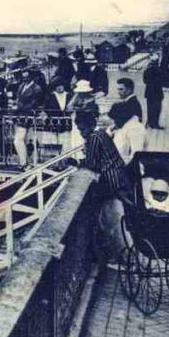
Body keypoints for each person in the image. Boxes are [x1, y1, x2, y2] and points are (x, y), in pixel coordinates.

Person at [75, 110, 130, 262]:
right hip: (121, 178)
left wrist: (77, 163)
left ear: (90, 126)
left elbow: (92, 164)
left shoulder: (93, 138)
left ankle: (117, 255)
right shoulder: (102, 134)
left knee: (107, 220)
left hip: (110, 182)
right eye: (79, 130)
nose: (81, 133)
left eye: (82, 129)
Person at [13, 69, 43, 167]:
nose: (24, 79)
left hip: (29, 117)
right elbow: (18, 98)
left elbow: (34, 104)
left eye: (27, 77)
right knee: (22, 140)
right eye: (23, 77)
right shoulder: (21, 86)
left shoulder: (37, 89)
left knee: (18, 140)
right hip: (21, 117)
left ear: (31, 77)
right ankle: (25, 161)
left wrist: (18, 106)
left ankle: (24, 163)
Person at [142, 55, 165, 129]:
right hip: (157, 91)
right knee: (157, 108)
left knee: (150, 108)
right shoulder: (159, 70)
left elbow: (144, 81)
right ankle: (155, 123)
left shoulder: (147, 70)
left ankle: (150, 122)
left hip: (149, 91)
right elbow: (162, 80)